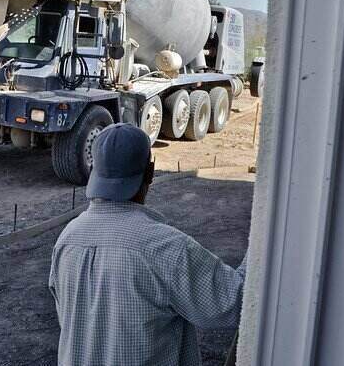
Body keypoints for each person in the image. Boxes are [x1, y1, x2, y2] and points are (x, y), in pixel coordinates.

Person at [49, 123, 248, 366]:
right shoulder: (165, 247)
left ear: (94, 172)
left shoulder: (67, 239)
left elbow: (69, 319)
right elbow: (237, 304)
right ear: (150, 172)